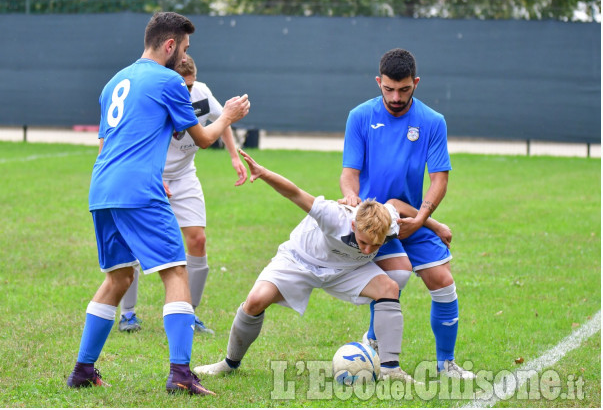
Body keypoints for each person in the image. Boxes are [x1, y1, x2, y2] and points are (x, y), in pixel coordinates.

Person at [66, 12, 250, 395]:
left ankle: (83, 370)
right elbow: (202, 138)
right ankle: (181, 374)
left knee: (119, 277)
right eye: (183, 47)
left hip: (102, 189)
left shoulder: (115, 81)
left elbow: (106, 144)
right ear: (170, 45)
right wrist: (229, 115)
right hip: (139, 190)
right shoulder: (168, 80)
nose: (184, 54)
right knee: (175, 273)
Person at [194, 149, 424, 382]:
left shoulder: (388, 224)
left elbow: (397, 204)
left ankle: (390, 369)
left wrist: (435, 225)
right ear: (354, 225)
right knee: (255, 301)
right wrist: (263, 173)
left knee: (389, 288)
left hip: (347, 269)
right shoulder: (333, 216)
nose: (367, 250)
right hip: (299, 260)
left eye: (375, 246)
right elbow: (294, 193)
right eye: (364, 242)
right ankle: (229, 363)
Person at [340, 48, 475, 380]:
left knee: (443, 282)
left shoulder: (432, 122)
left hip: (412, 217)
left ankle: (446, 364)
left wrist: (424, 219)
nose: (395, 97)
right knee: (394, 279)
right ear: (378, 82)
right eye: (388, 89)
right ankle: (374, 340)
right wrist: (350, 196)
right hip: (375, 221)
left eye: (404, 89)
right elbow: (349, 172)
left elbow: (439, 179)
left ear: (416, 82)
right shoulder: (359, 116)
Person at [117, 54, 247, 334]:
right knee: (133, 244)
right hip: (151, 175)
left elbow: (220, 120)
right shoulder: (155, 96)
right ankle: (128, 314)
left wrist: (234, 157)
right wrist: (151, 176)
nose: (187, 92)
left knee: (198, 241)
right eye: (182, 86)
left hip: (185, 175)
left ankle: (189, 313)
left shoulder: (200, 92)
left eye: (190, 85)